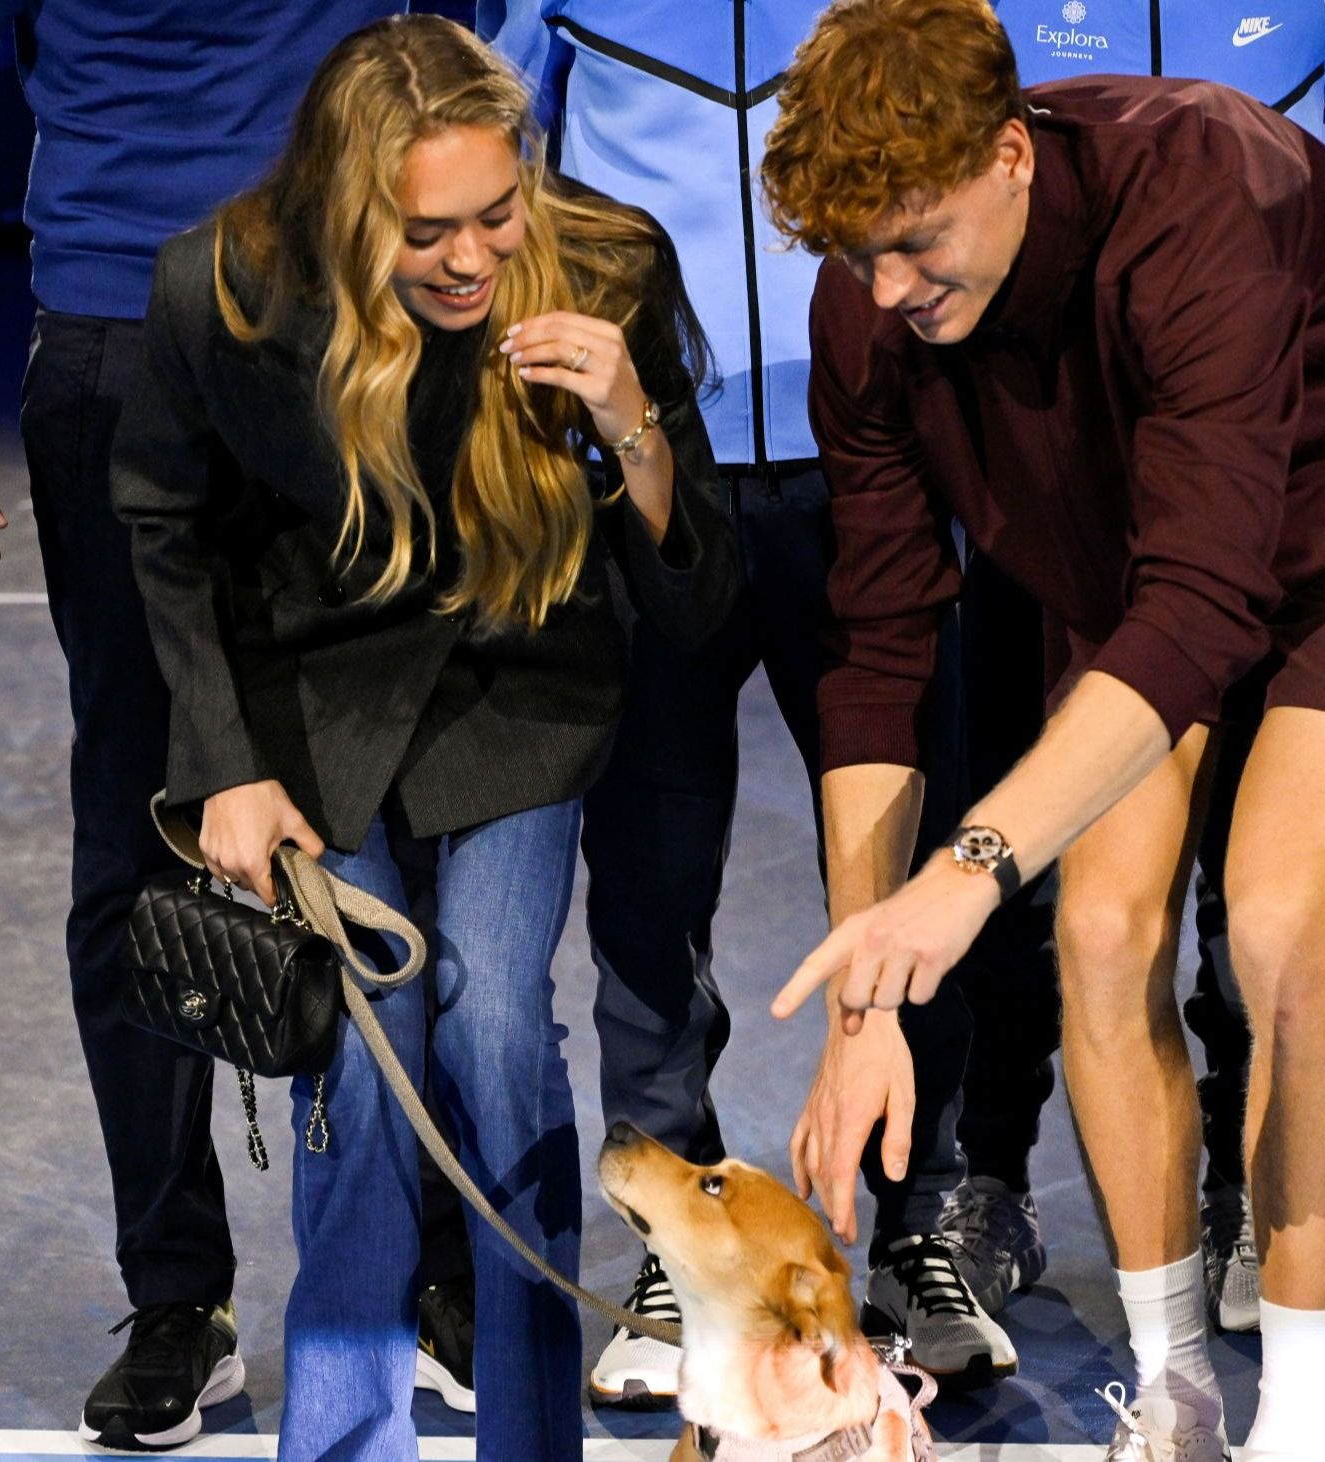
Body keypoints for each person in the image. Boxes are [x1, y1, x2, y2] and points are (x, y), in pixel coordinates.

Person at [757, 2, 1325, 1456]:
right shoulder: (875, 305)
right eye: (858, 255)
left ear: (1012, 156)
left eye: (916, 238)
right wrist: (867, 1000)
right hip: (1131, 545)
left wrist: (962, 877)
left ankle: (1288, 1414)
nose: (888, 285)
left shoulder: (1204, 194)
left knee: (1279, 921)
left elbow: (1210, 605)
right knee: (1099, 933)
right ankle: (1175, 1388)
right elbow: (882, 642)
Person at [107, 18, 735, 1459]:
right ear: (347, 206)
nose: (470, 259)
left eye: (496, 215)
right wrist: (225, 762)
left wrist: (630, 416)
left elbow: (697, 595)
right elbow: (164, 525)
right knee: (368, 1048)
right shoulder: (226, 286)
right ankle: (343, 1436)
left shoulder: (611, 264)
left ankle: (530, 1440)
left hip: (524, 695)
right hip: (312, 711)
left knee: (498, 1022)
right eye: (427, 230)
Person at [0, 0, 412, 1447]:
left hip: (339, 346)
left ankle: (427, 1268)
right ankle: (180, 1295)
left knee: (390, 815)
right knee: (141, 829)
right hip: (114, 353)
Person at [478, 0, 1027, 1400]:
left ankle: (916, 1226)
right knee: (651, 882)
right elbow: (491, 168)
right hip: (652, 481)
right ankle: (675, 1237)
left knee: (918, 856)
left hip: (878, 474)